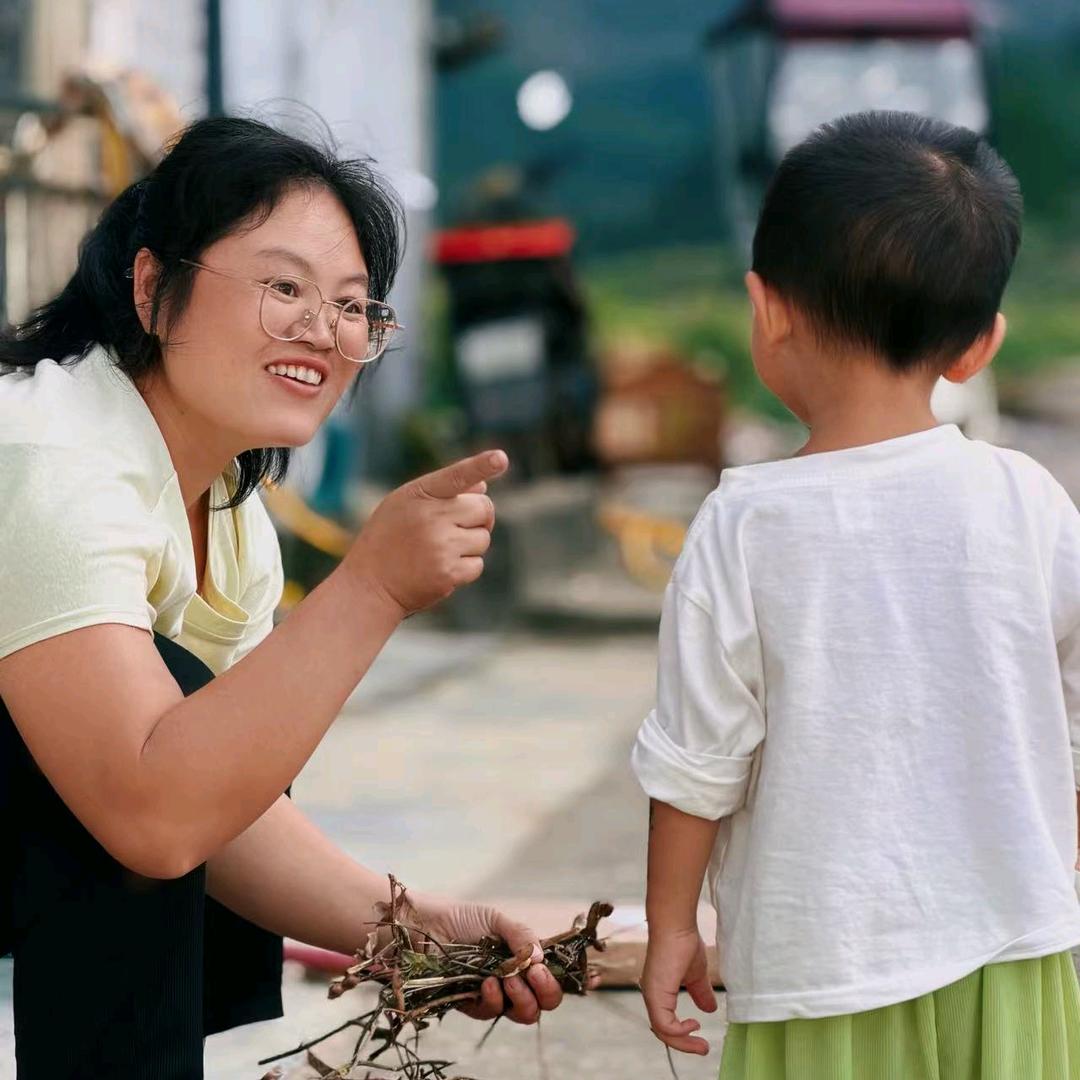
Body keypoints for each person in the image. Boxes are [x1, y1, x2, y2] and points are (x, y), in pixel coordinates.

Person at [0, 117, 565, 1079]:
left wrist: (407, 929)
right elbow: (152, 811)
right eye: (282, 287)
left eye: (351, 304)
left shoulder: (232, 516)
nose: (322, 330)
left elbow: (221, 804)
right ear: (151, 288)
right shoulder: (50, 460)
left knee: (211, 722)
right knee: (172, 725)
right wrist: (373, 587)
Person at [633, 110, 1080, 1080]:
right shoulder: (1030, 502)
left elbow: (696, 761)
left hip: (822, 969)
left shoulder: (745, 524)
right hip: (1017, 951)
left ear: (769, 309)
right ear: (981, 344)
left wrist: (674, 924)